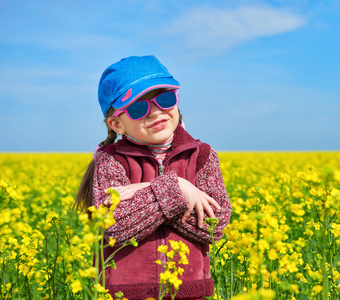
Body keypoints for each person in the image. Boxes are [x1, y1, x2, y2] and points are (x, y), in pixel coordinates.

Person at [75, 55, 232, 300]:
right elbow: (116, 227)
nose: (156, 111)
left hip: (189, 293)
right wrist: (178, 187)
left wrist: (145, 191)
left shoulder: (202, 155)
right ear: (116, 124)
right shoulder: (109, 160)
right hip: (124, 294)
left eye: (165, 98)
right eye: (139, 107)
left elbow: (215, 225)